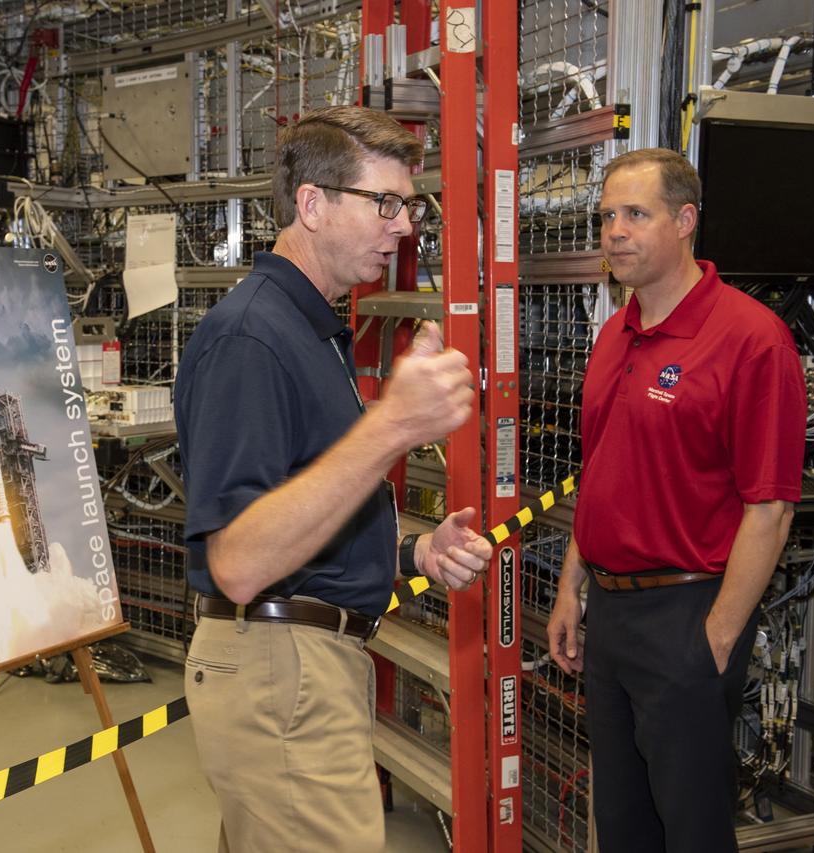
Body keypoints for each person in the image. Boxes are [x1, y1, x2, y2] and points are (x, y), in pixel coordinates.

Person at [174, 106, 496, 853]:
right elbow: (240, 559)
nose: (404, 226)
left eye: (408, 206)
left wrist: (410, 554)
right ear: (312, 204)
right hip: (281, 671)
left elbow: (302, 505)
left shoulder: (307, 328)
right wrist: (393, 426)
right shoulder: (252, 337)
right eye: (384, 203)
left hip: (302, 668)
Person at [546, 147, 807, 852]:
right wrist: (572, 586)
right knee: (625, 826)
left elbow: (771, 508)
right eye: (607, 216)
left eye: (636, 214)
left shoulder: (751, 339)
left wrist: (715, 638)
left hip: (688, 612)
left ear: (686, 221)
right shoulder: (614, 335)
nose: (615, 232)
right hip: (612, 614)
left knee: (691, 829)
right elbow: (599, 468)